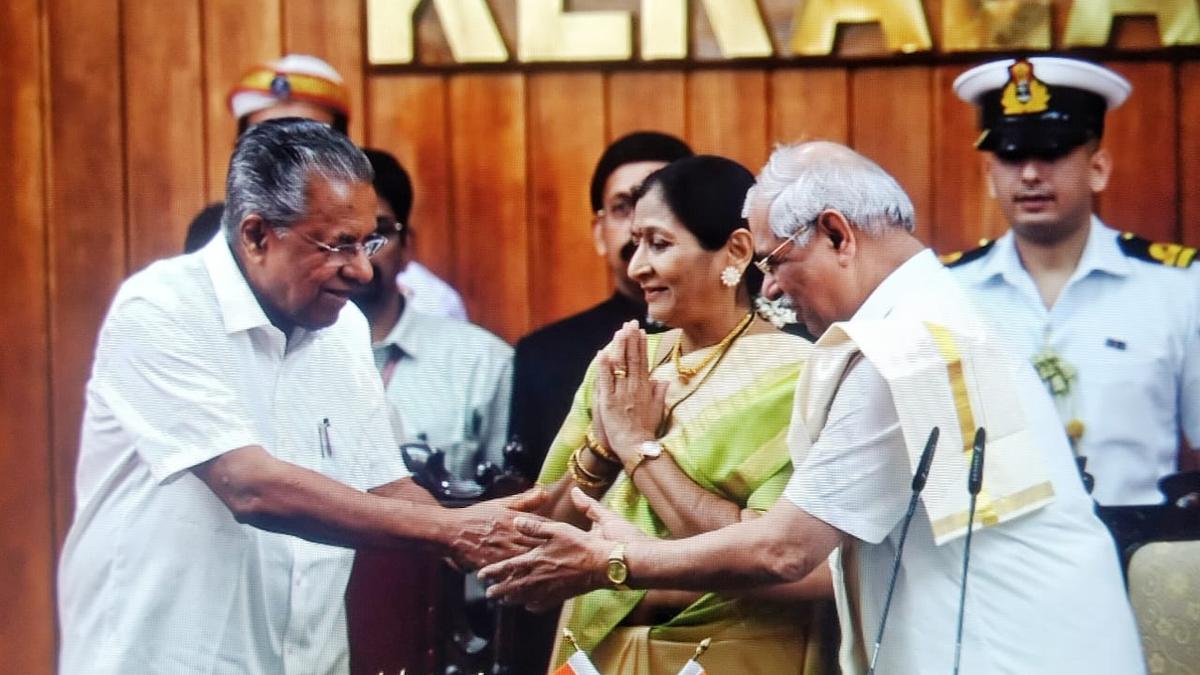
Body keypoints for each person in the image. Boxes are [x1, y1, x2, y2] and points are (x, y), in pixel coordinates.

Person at [481, 142, 1146, 675]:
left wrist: (618, 562)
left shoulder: (903, 347)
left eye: (773, 260)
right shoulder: (942, 313)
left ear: (836, 234)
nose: (767, 287)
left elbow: (783, 549)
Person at [57, 119, 542, 675]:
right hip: (167, 656)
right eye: (338, 245)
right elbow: (248, 486)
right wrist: (448, 528)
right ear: (257, 235)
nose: (361, 270)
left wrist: (497, 537)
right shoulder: (161, 308)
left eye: (370, 242)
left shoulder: (342, 330)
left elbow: (386, 486)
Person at [528, 155, 834, 674]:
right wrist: (602, 451)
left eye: (660, 244)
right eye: (636, 242)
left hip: (729, 655)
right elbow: (543, 537)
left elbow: (772, 551)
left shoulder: (801, 375)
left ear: (736, 251)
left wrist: (637, 447)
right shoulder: (625, 364)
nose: (636, 266)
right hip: (594, 653)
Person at [947, 56, 1200, 505]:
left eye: (1051, 152)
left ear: (1097, 169)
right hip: (997, 558)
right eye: (1010, 155)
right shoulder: (950, 291)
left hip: (1138, 554)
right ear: (989, 176)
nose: (1029, 174)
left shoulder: (1177, 289)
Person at [223, 53, 467, 319]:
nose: (288, 166)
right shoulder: (198, 282)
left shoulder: (427, 304)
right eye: (270, 147)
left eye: (307, 147)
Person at [510, 132, 693, 475]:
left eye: (663, 205)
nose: (640, 226)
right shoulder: (544, 355)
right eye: (624, 207)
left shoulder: (756, 341)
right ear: (599, 231)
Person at [352, 148, 512, 479]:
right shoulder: (290, 354)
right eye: (345, 236)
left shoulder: (480, 361)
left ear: (407, 246)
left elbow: (510, 499)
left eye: (378, 233)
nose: (361, 253)